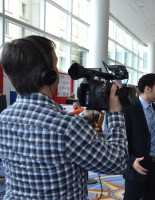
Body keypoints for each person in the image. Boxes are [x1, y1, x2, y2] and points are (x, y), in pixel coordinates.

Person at [0, 36, 128, 199]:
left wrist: (83, 118)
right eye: (55, 65)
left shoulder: (4, 118)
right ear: (48, 75)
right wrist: (115, 113)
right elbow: (117, 162)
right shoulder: (68, 127)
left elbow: (44, 139)